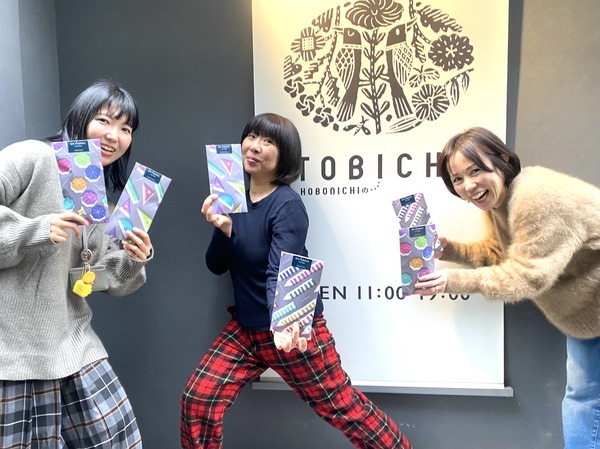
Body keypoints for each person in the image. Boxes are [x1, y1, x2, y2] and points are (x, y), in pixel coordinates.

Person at [180, 113, 413, 449]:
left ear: (284, 155)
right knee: (197, 399)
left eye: (268, 141)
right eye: (252, 137)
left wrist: (284, 324)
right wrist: (224, 230)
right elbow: (216, 266)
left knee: (345, 409)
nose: (255, 147)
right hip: (247, 330)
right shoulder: (231, 198)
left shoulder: (286, 204)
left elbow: (281, 270)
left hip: (290, 329)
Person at [414, 126, 600, 449]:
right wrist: (450, 250)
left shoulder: (535, 197)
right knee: (583, 399)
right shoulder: (500, 201)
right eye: (457, 179)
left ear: (502, 159)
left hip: (591, 302)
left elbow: (527, 275)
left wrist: (451, 281)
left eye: (475, 170)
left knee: (583, 401)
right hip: (588, 310)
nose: (468, 185)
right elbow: (498, 254)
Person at [0, 80, 153, 448]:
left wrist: (134, 259)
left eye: (126, 128)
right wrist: (37, 230)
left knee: (120, 440)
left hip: (74, 344)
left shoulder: (104, 205)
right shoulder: (33, 156)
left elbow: (102, 280)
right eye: (104, 121)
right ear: (80, 118)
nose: (114, 136)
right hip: (13, 352)